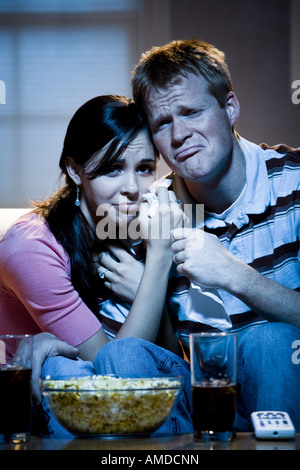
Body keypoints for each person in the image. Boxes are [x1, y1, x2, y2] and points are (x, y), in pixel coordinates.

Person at [94, 39, 300, 432]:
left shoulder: (295, 180)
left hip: (286, 389)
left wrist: (233, 274)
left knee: (271, 343)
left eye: (191, 112)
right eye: (162, 123)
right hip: (195, 399)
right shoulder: (147, 214)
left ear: (230, 108)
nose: (179, 135)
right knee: (121, 356)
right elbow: (114, 360)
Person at [0, 95, 188, 434]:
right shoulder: (30, 249)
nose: (132, 188)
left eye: (144, 168)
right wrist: (158, 258)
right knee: (63, 371)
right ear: (75, 170)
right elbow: (112, 371)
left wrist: (148, 279)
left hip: (138, 403)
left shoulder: (133, 226)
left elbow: (165, 358)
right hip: (41, 401)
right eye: (113, 169)